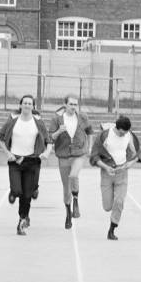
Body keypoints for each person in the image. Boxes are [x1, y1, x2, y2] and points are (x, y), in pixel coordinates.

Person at [0, 95, 52, 235]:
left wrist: (47, 152)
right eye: (25, 103)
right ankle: (15, 192)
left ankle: (22, 219)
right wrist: (7, 153)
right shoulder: (13, 121)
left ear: (33, 106)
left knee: (27, 195)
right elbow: (1, 138)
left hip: (32, 161)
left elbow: (49, 140)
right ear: (20, 105)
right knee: (17, 191)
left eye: (30, 103)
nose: (27, 105)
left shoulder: (38, 123)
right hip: (15, 160)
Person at [90, 116, 141, 240]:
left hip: (122, 172)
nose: (123, 135)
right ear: (116, 128)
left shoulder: (129, 135)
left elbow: (137, 153)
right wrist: (106, 167)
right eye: (121, 132)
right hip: (107, 172)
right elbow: (94, 156)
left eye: (125, 133)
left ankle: (112, 229)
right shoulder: (104, 136)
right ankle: (111, 208)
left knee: (119, 202)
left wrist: (130, 163)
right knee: (107, 206)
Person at [49, 95, 93, 229]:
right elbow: (51, 137)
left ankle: (76, 199)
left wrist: (89, 147)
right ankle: (68, 212)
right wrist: (59, 131)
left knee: (74, 175)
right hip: (63, 155)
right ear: (65, 105)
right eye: (71, 104)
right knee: (66, 188)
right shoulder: (57, 119)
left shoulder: (82, 117)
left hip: (79, 153)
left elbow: (90, 132)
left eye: (75, 104)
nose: (73, 107)